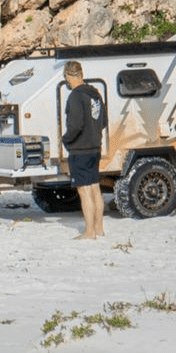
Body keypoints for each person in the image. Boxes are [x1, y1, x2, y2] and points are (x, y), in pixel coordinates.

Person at [61, 60, 106, 239]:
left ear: (68, 76)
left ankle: (89, 232)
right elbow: (103, 121)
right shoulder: (95, 94)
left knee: (84, 190)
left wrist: (66, 139)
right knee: (95, 187)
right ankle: (99, 228)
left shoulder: (75, 96)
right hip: (95, 147)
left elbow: (76, 125)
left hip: (80, 149)